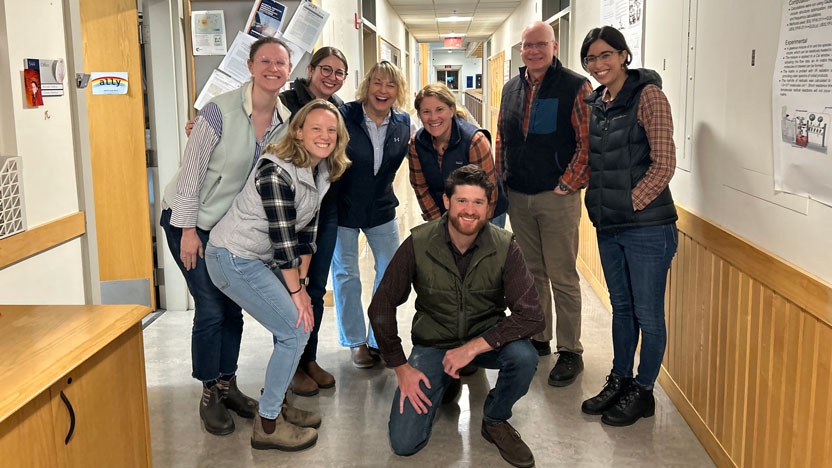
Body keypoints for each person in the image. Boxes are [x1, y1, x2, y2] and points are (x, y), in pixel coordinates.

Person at [368, 165, 544, 468]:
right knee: (404, 442)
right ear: (447, 201)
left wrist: (474, 347)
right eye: (462, 201)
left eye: (479, 203)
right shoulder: (418, 242)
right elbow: (381, 306)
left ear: (489, 208)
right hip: (434, 342)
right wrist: (400, 366)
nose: (470, 210)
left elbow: (532, 316)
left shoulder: (505, 246)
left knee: (525, 357)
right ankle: (446, 379)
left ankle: (495, 419)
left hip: (485, 338)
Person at [160, 36, 292, 436]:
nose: (273, 68)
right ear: (251, 66)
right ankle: (208, 393)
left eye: (281, 63)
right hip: (189, 219)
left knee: (232, 309)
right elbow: (190, 176)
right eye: (265, 61)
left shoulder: (286, 120)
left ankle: (227, 383)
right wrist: (187, 231)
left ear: (288, 72)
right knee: (212, 307)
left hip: (227, 229)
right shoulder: (218, 111)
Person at [205, 99, 351, 450]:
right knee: (294, 330)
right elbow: (283, 241)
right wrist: (298, 293)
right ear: (298, 131)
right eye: (316, 128)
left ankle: (278, 407)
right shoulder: (277, 171)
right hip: (232, 257)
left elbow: (305, 238)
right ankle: (267, 426)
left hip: (259, 259)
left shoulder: (320, 171)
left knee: (294, 328)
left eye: (331, 130)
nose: (324, 135)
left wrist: (300, 286)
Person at [578, 26, 678, 427]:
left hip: (647, 227)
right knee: (621, 308)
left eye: (606, 55)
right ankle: (620, 379)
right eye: (591, 59)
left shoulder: (648, 96)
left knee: (648, 314)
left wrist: (628, 204)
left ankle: (644, 389)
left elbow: (664, 162)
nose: (598, 64)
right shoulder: (596, 101)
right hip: (609, 225)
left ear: (624, 56)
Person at [495, 21, 592, 387]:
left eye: (540, 45)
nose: (533, 51)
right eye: (527, 46)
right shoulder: (511, 89)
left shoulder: (574, 86)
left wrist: (568, 184)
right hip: (519, 195)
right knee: (532, 272)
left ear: (553, 47)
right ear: (521, 50)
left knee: (562, 274)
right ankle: (540, 337)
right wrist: (502, 178)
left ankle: (571, 350)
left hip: (557, 197)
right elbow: (503, 137)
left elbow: (586, 143)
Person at [278, 46, 349, 397]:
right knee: (293, 289)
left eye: (339, 72)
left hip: (327, 210)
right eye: (326, 69)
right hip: (292, 210)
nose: (332, 77)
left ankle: (308, 359)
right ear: (310, 69)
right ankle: (290, 364)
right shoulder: (286, 102)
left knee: (316, 289)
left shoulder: (339, 110)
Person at [332, 61, 411, 368]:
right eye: (377, 83)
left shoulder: (402, 123)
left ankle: (379, 335)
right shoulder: (344, 116)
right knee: (346, 274)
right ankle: (355, 341)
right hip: (343, 208)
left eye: (390, 85)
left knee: (390, 272)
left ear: (398, 91)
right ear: (367, 85)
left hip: (381, 208)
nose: (383, 90)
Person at [408, 82, 508, 227]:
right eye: (426, 112)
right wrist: (438, 223)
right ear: (419, 115)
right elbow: (420, 186)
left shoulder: (475, 141)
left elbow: (488, 190)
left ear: (452, 109)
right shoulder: (416, 144)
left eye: (439, 109)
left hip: (485, 213)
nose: (433, 117)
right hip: (443, 212)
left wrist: (473, 229)